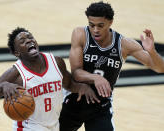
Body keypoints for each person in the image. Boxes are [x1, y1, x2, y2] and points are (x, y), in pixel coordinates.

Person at [59, 1, 164, 131]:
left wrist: (152, 52)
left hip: (100, 106)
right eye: (92, 25)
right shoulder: (81, 34)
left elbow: (160, 68)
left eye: (100, 25)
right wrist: (95, 78)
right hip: (74, 97)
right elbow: (76, 72)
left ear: (110, 22)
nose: (95, 30)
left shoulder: (124, 44)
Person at [0, 27, 99, 131]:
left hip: (54, 126)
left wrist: (82, 87)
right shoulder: (15, 73)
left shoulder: (56, 62)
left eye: (30, 37)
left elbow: (69, 84)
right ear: (16, 52)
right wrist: (2, 86)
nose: (29, 40)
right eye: (22, 41)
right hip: (28, 127)